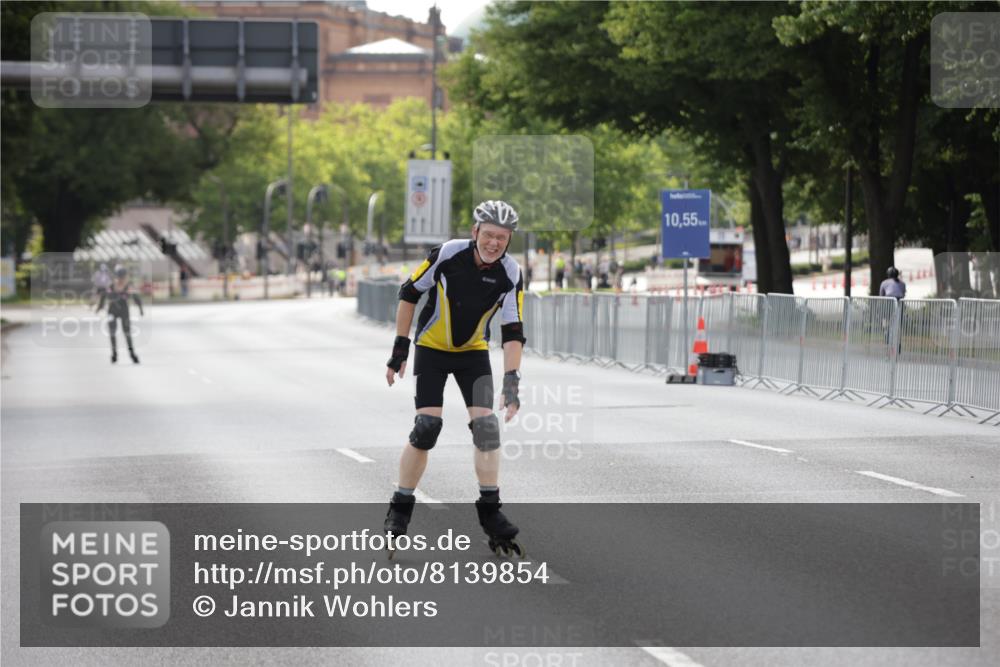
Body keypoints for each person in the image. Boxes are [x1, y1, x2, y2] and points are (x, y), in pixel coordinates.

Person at [383, 200, 526, 557]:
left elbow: (513, 329)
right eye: (489, 235)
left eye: (502, 238)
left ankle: (491, 514)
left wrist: (512, 380)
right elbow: (409, 292)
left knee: (487, 429)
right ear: (475, 231)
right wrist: (400, 348)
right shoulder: (448, 254)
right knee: (427, 427)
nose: (495, 243)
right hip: (432, 349)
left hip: (472, 354)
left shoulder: (511, 272)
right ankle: (400, 508)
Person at [95, 265, 143, 364]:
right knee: (112, 332)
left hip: (124, 311)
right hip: (112, 311)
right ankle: (114, 353)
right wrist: (99, 307)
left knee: (127, 333)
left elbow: (136, 297)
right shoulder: (111, 286)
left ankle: (132, 353)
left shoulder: (128, 286)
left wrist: (140, 308)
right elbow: (104, 296)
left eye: (123, 277)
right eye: (120, 277)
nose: (121, 279)